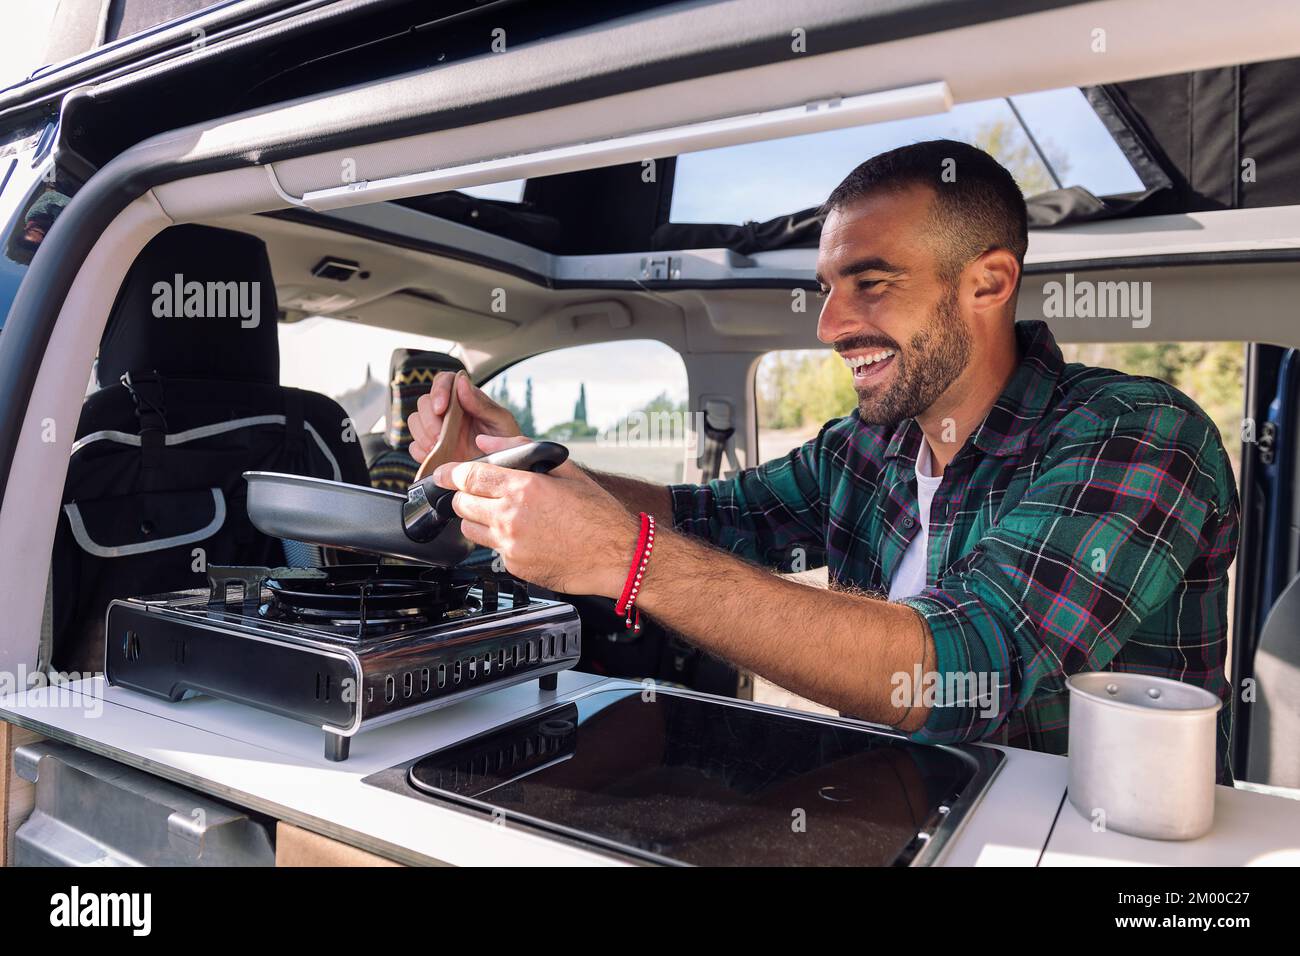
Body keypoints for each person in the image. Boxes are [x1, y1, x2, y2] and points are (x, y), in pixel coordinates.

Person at [408, 140, 1240, 780]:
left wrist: (627, 561)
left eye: (870, 284)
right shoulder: (867, 446)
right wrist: (513, 466)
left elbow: (965, 668)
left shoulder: (1137, 433)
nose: (830, 325)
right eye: (828, 287)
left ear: (988, 284)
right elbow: (705, 518)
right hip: (887, 796)